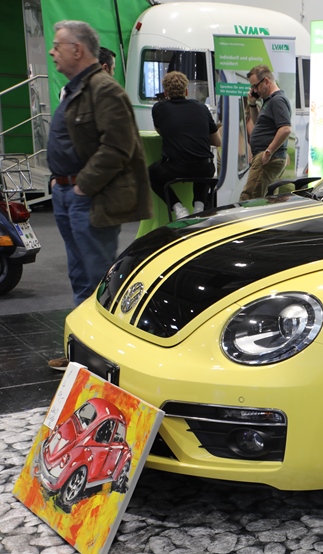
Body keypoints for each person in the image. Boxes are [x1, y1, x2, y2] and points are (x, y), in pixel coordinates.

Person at [46, 20, 152, 370]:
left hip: (90, 198)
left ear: (77, 49)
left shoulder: (104, 89)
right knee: (80, 277)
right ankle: (82, 354)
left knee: (97, 283)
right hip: (68, 194)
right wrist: (60, 182)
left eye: (57, 45)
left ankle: (104, 361)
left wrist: (82, 186)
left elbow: (118, 146)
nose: (52, 52)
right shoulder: (76, 89)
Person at [148, 71, 221, 219]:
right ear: (186, 91)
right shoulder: (202, 108)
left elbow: (162, 131)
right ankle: (199, 207)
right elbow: (217, 142)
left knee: (151, 173)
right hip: (204, 169)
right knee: (202, 163)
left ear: (165, 92)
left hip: (175, 168)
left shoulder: (159, 108)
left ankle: (179, 209)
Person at [241, 64, 292, 200]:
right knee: (265, 200)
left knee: (249, 198)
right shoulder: (269, 101)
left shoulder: (277, 100)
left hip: (268, 158)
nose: (254, 90)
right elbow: (258, 122)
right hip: (267, 157)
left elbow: (285, 129)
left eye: (255, 86)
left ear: (266, 81)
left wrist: (269, 151)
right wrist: (252, 104)